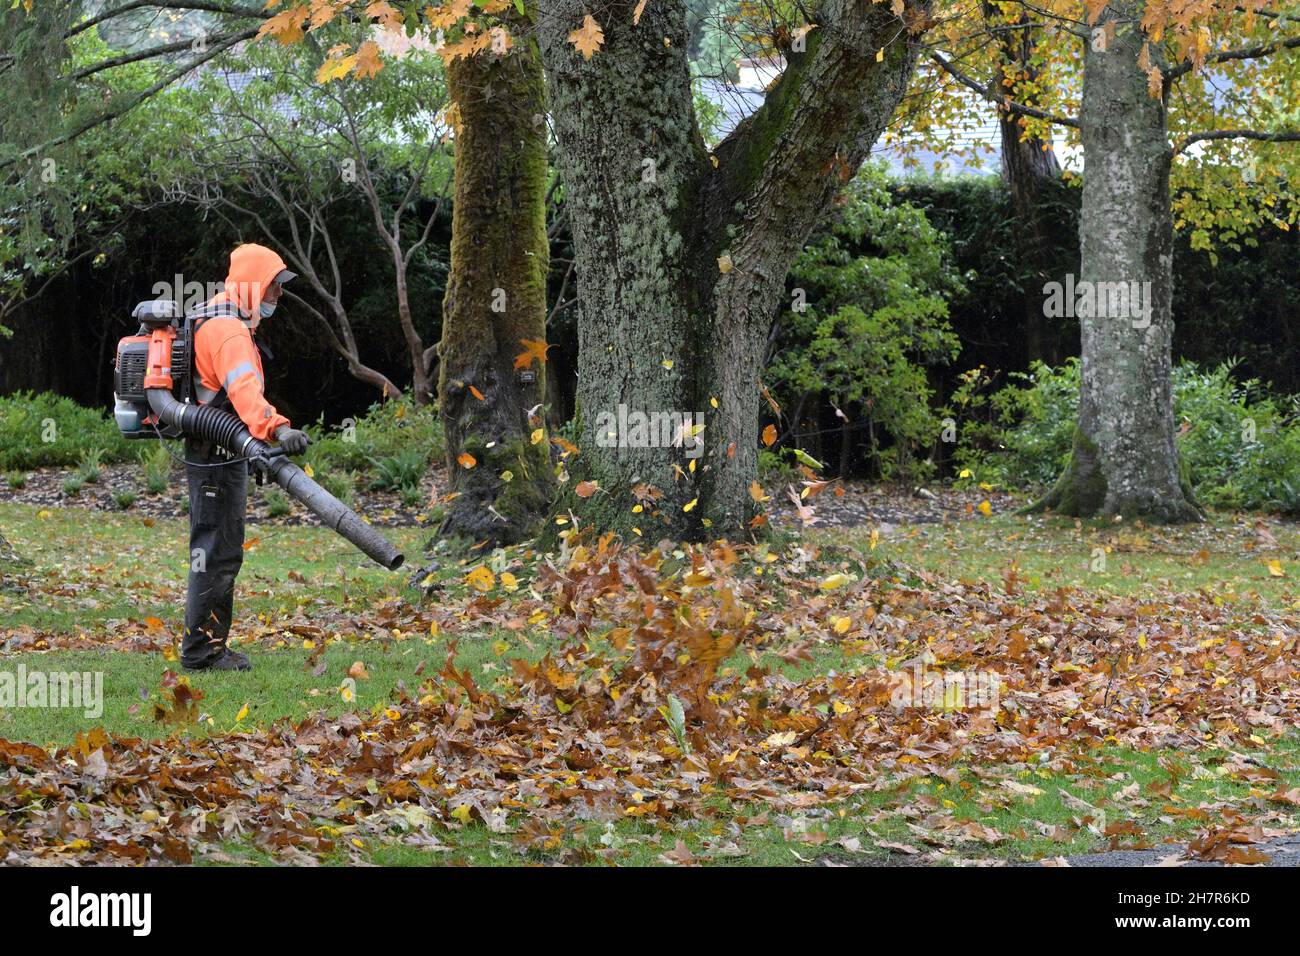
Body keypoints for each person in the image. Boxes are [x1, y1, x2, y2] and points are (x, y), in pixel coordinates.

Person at [181, 243, 310, 672]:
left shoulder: (215, 314)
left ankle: (210, 645)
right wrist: (278, 428)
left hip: (216, 447)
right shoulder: (231, 331)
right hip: (217, 453)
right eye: (274, 287)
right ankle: (203, 651)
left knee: (217, 546)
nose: (279, 297)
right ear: (254, 284)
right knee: (218, 549)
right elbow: (244, 392)